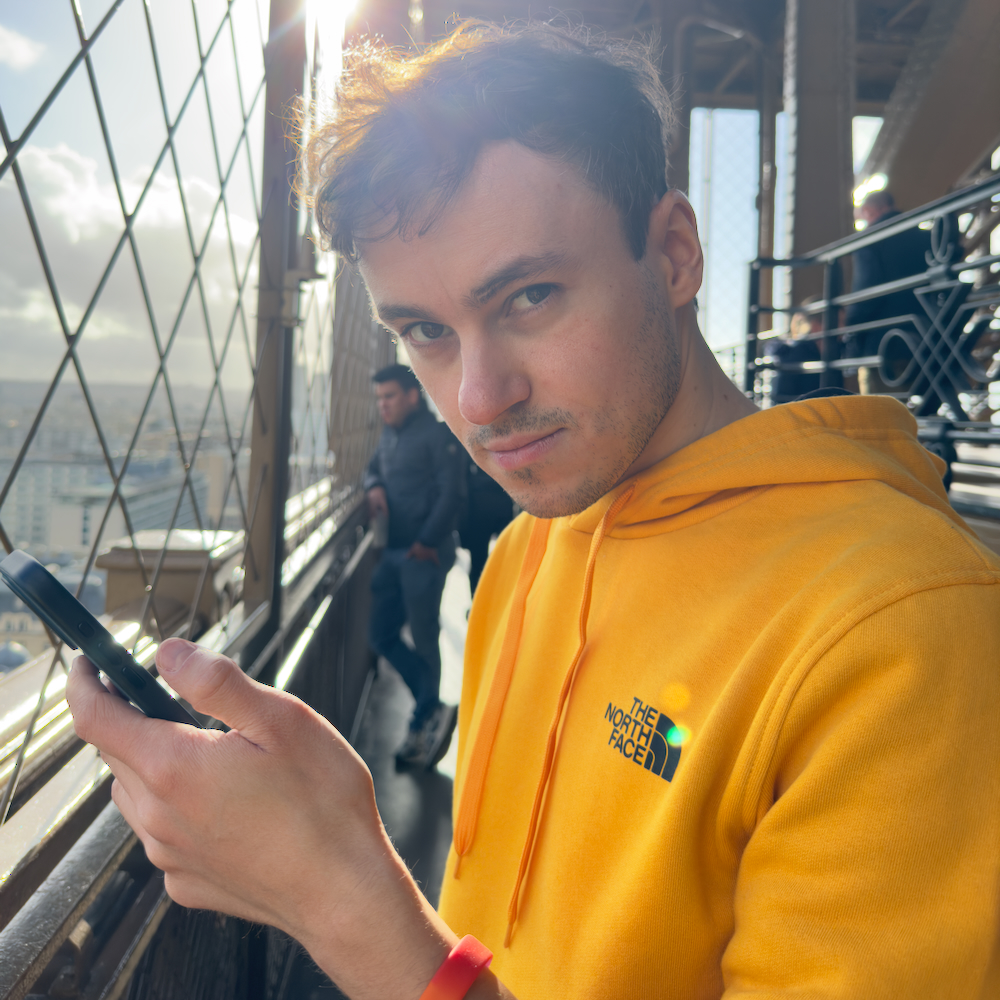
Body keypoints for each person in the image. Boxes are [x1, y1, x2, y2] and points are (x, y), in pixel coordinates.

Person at [67, 21, 1000, 1000]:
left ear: (675, 254)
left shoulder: (908, 634)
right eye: (426, 331)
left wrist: (337, 898)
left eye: (529, 296)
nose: (477, 397)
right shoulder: (524, 549)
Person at [365, 363, 462, 768]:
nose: (382, 406)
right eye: (378, 399)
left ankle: (422, 723)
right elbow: (372, 468)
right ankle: (431, 703)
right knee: (380, 634)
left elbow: (452, 493)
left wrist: (426, 543)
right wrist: (374, 486)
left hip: (423, 555)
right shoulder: (390, 434)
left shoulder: (438, 436)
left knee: (424, 639)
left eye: (389, 397)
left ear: (411, 395)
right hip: (393, 553)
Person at [844, 189, 933, 394]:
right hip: (925, 339)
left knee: (881, 416)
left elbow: (866, 294)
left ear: (868, 211)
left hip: (884, 343)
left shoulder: (870, 240)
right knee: (926, 416)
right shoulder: (925, 238)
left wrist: (851, 329)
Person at [458, 457, 514, 595]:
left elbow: (461, 481)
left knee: (479, 562)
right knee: (507, 559)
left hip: (479, 509)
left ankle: (479, 604)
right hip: (499, 504)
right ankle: (489, 603)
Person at [767, 298, 822, 404]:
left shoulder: (792, 352)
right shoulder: (799, 357)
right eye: (840, 322)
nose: (844, 329)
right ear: (816, 326)